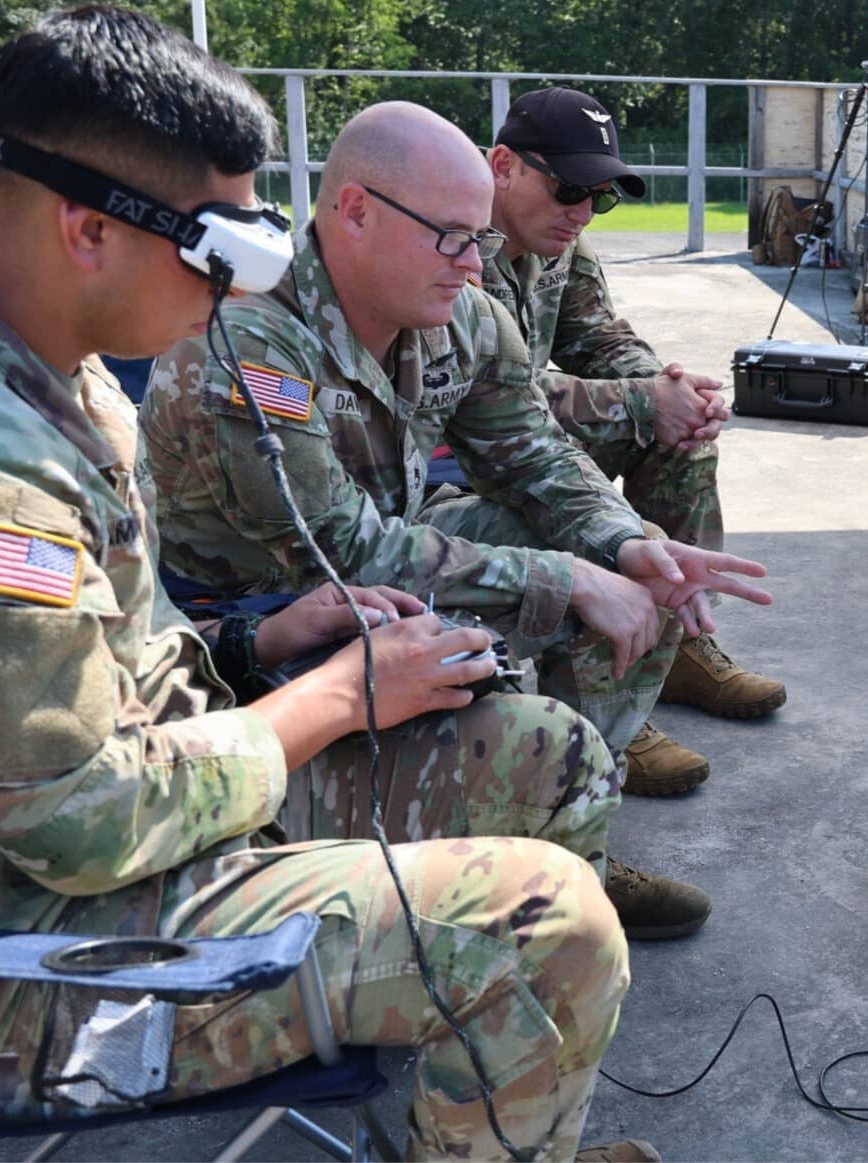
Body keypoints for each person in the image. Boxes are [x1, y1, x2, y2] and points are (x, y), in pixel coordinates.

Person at [0, 7, 653, 1160]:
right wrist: (337, 697)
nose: (243, 284)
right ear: (89, 228)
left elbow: (104, 673)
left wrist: (262, 642)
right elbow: (83, 825)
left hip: (121, 824)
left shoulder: (49, 375)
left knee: (545, 757)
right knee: (545, 930)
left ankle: (498, 1110)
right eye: (221, 251)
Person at [140, 100, 772, 940]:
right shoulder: (248, 341)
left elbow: (534, 453)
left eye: (480, 238)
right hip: (251, 643)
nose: (475, 265)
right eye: (452, 238)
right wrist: (567, 577)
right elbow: (342, 550)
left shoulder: (460, 312)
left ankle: (562, 828)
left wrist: (623, 543)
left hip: (381, 588)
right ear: (355, 211)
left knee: (639, 568)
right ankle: (471, 840)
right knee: (562, 640)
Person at [485, 87, 786, 794]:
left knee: (680, 441)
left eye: (600, 197)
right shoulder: (448, 246)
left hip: (536, 435)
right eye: (568, 189)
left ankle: (678, 649)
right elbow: (493, 401)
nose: (582, 211)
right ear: (503, 166)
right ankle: (609, 700)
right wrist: (647, 403)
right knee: (618, 522)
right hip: (468, 458)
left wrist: (670, 390)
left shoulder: (559, 238)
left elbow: (596, 337)